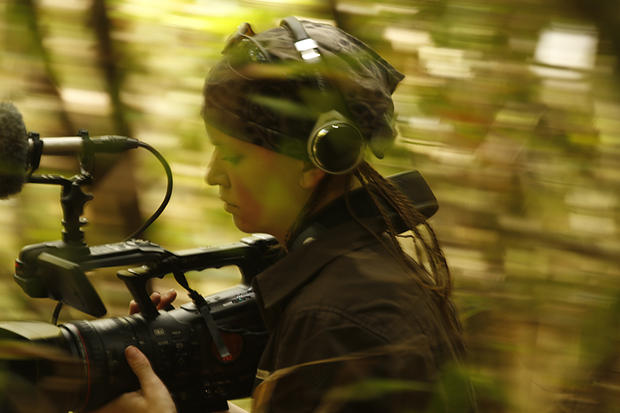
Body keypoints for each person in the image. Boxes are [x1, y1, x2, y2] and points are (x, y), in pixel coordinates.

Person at [95, 17, 471, 413]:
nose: (212, 175)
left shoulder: (337, 321)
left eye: (233, 154)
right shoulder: (355, 280)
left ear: (315, 162)